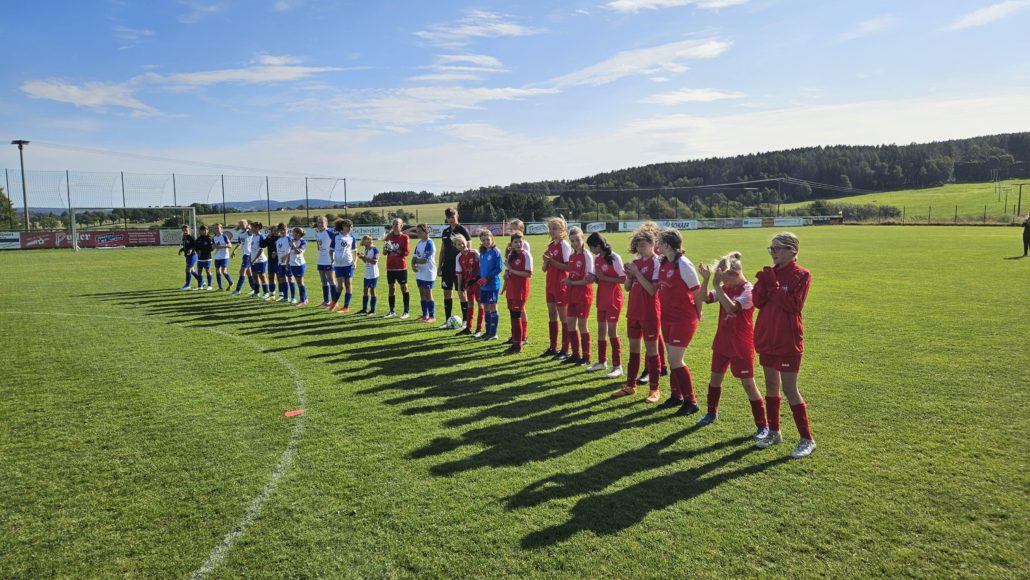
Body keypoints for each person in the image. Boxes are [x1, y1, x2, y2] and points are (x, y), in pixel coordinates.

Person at [752, 232, 815, 458]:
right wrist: (763, 284)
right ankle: (774, 432)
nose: (773, 253)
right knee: (771, 386)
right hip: (767, 337)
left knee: (790, 389)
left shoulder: (802, 275)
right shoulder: (772, 274)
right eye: (771, 249)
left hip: (788, 340)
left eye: (777, 248)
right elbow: (757, 302)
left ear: (792, 251)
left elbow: (793, 305)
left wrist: (773, 287)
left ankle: (806, 439)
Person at [696, 251, 768, 439]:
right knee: (714, 380)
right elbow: (704, 298)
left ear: (735, 274)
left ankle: (762, 425)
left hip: (741, 345)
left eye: (725, 280)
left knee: (748, 384)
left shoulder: (749, 291)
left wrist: (716, 285)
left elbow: (732, 308)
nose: (724, 284)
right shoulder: (725, 288)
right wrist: (706, 281)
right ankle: (711, 413)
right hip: (722, 342)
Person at [611, 222, 663, 402]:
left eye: (643, 245)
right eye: (638, 245)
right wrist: (630, 275)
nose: (640, 248)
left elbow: (652, 290)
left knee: (652, 351)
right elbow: (626, 288)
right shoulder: (635, 262)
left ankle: (654, 390)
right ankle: (630, 385)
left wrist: (637, 273)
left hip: (649, 313)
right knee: (634, 350)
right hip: (633, 312)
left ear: (653, 245)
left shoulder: (656, 262)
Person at [655, 228, 704, 416]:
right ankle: (676, 396)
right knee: (671, 358)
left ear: (667, 244)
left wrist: (698, 314)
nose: (657, 246)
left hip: (683, 319)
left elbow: (697, 292)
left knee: (676, 359)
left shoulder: (683, 264)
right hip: (667, 317)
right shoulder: (664, 263)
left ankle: (691, 401)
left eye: (659, 242)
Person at [586, 232, 626, 378]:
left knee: (612, 332)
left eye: (591, 248)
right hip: (602, 298)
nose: (591, 251)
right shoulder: (596, 259)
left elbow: (623, 279)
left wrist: (605, 277)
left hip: (614, 299)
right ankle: (602, 362)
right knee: (601, 330)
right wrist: (594, 278)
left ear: (598, 246)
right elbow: (599, 279)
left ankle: (618, 366)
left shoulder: (614, 258)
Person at [561, 226, 594, 366]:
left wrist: (571, 282)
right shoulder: (572, 256)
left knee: (582, 325)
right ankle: (575, 354)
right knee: (570, 323)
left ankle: (586, 357)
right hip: (572, 293)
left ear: (583, 239)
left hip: (583, 294)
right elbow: (573, 274)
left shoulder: (587, 255)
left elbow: (589, 279)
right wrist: (568, 281)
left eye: (577, 240)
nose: (575, 243)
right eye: (572, 241)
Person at [540, 217, 572, 359]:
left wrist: (551, 261)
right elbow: (544, 268)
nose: (552, 231)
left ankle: (565, 349)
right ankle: (553, 347)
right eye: (550, 228)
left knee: (563, 317)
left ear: (562, 230)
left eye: (555, 228)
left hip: (561, 285)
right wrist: (546, 262)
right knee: (552, 315)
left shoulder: (564, 245)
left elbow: (568, 266)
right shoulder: (551, 245)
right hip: (550, 284)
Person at [438, 208, 471, 327]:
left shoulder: (463, 230)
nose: (451, 219)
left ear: (457, 216)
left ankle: (465, 321)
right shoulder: (445, 231)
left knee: (462, 293)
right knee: (447, 293)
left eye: (453, 216)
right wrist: (439, 267)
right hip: (447, 267)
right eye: (449, 217)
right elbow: (442, 250)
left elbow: (469, 250)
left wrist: (467, 268)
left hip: (460, 268)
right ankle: (447, 320)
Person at [503, 232, 533, 354]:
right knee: (513, 316)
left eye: (520, 241)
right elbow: (508, 270)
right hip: (511, 289)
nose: (519, 244)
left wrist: (511, 270)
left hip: (520, 290)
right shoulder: (511, 254)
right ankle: (515, 342)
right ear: (511, 244)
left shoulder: (526, 255)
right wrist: (507, 273)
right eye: (516, 242)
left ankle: (518, 345)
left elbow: (528, 274)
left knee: (517, 316)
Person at [506, 219, 531, 343]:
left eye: (515, 228)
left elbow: (525, 266)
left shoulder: (524, 245)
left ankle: (523, 335)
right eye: (511, 229)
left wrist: (511, 270)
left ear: (522, 230)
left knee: (521, 309)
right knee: (514, 310)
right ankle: (515, 335)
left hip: (520, 282)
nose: (513, 231)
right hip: (512, 282)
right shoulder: (512, 245)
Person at [454, 234, 484, 335]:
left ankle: (479, 329)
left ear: (466, 242)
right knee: (470, 303)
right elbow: (459, 274)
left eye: (463, 243)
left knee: (480, 304)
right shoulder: (458, 257)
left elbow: (483, 266)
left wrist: (479, 279)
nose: (462, 245)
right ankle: (469, 328)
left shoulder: (474, 252)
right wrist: (460, 288)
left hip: (478, 283)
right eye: (459, 244)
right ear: (456, 246)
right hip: (468, 284)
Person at [477, 230, 503, 339]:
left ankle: (494, 333)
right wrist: (477, 277)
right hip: (484, 285)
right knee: (486, 307)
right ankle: (487, 332)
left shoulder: (496, 251)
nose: (486, 242)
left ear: (492, 238)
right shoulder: (482, 253)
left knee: (493, 307)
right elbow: (482, 268)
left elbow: (499, 268)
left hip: (492, 284)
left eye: (488, 239)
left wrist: (488, 277)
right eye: (483, 240)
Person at [383, 218, 411, 318]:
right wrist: (387, 248)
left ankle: (406, 311)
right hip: (390, 267)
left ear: (401, 225)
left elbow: (406, 252)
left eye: (397, 224)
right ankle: (392, 311)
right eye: (393, 224)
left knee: (404, 287)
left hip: (401, 267)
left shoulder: (405, 237)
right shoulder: (388, 237)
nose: (395, 226)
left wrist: (395, 250)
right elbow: (384, 253)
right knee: (391, 288)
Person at [329, 218, 356, 313]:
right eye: (348, 226)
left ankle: (346, 307)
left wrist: (355, 261)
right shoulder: (336, 236)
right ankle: (334, 302)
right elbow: (331, 249)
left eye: (351, 227)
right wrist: (332, 259)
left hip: (348, 264)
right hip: (338, 264)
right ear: (343, 227)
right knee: (340, 286)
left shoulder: (352, 238)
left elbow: (354, 251)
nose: (350, 228)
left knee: (348, 285)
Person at [412, 223, 438, 323]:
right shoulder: (419, 243)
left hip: (428, 272)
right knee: (421, 293)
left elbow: (424, 260)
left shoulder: (429, 243)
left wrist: (415, 262)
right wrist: (413, 265)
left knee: (428, 293)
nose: (418, 234)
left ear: (426, 231)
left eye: (420, 232)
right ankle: (424, 314)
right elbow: (414, 257)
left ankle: (432, 316)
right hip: (419, 272)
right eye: (417, 232)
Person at [313, 216, 336, 307]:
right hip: (320, 259)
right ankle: (326, 301)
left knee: (331, 280)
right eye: (319, 222)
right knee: (323, 281)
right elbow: (319, 247)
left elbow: (336, 242)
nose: (320, 224)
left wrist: (333, 256)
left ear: (326, 223)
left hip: (329, 259)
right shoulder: (317, 233)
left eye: (322, 222)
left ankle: (334, 302)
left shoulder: (330, 232)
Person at [230, 219, 256, 296]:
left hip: (248, 255)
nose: (241, 226)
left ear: (246, 224)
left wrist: (249, 226)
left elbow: (253, 230)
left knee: (242, 272)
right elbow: (239, 243)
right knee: (249, 272)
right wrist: (234, 251)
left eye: (242, 224)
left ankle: (238, 290)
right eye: (240, 225)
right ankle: (254, 289)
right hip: (244, 255)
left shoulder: (249, 232)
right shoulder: (241, 234)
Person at [272, 223, 296, 303]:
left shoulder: (290, 239)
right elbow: (279, 251)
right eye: (281, 230)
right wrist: (275, 253)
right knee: (282, 280)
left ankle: (293, 298)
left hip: (288, 263)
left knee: (290, 279)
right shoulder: (278, 240)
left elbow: (292, 251)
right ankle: (285, 297)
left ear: (287, 230)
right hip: (280, 263)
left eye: (284, 229)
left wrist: (286, 258)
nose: (282, 231)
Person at [358, 235, 380, 315]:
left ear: (368, 240)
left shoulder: (375, 249)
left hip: (373, 273)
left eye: (364, 241)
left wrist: (365, 257)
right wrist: (361, 257)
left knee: (372, 291)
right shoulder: (366, 250)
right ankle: (364, 309)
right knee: (365, 290)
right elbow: (366, 261)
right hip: (367, 273)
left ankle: (373, 310)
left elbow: (374, 262)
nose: (363, 243)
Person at [248, 222, 270, 298]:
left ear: (257, 228)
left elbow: (261, 249)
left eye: (253, 227)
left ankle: (266, 292)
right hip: (253, 260)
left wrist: (256, 259)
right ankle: (257, 292)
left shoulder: (261, 237)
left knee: (262, 276)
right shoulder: (252, 236)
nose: (251, 228)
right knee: (254, 276)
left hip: (260, 260)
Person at [289, 227, 309, 306]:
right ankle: (305, 298)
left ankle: (302, 300)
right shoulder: (292, 240)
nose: (292, 234)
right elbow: (289, 252)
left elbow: (298, 252)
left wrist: (293, 245)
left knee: (300, 282)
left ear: (298, 234)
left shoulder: (303, 242)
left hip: (299, 264)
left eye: (293, 232)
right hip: (292, 264)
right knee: (299, 282)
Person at [177, 224, 201, 290]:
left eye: (186, 230)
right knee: (192, 271)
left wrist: (191, 249)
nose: (185, 231)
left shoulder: (191, 237)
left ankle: (187, 285)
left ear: (189, 230)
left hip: (193, 255)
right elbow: (185, 246)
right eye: (184, 230)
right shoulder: (184, 237)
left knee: (187, 270)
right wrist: (181, 250)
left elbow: (195, 246)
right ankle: (201, 282)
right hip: (187, 256)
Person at [212, 223, 234, 291]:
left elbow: (230, 246)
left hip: (224, 256)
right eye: (215, 228)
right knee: (217, 271)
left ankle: (231, 282)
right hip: (217, 256)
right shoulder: (214, 237)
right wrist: (213, 246)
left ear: (221, 229)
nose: (216, 229)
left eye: (218, 228)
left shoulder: (224, 236)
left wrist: (221, 246)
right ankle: (220, 287)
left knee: (224, 271)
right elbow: (212, 248)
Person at [194, 224, 215, 290]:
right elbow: (196, 247)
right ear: (200, 231)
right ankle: (200, 286)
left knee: (208, 271)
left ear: (208, 230)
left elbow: (212, 248)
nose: (204, 231)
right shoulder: (198, 239)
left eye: (205, 230)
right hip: (200, 259)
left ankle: (210, 286)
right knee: (199, 272)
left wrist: (213, 247)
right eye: (202, 230)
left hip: (207, 258)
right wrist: (197, 252)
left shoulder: (210, 238)